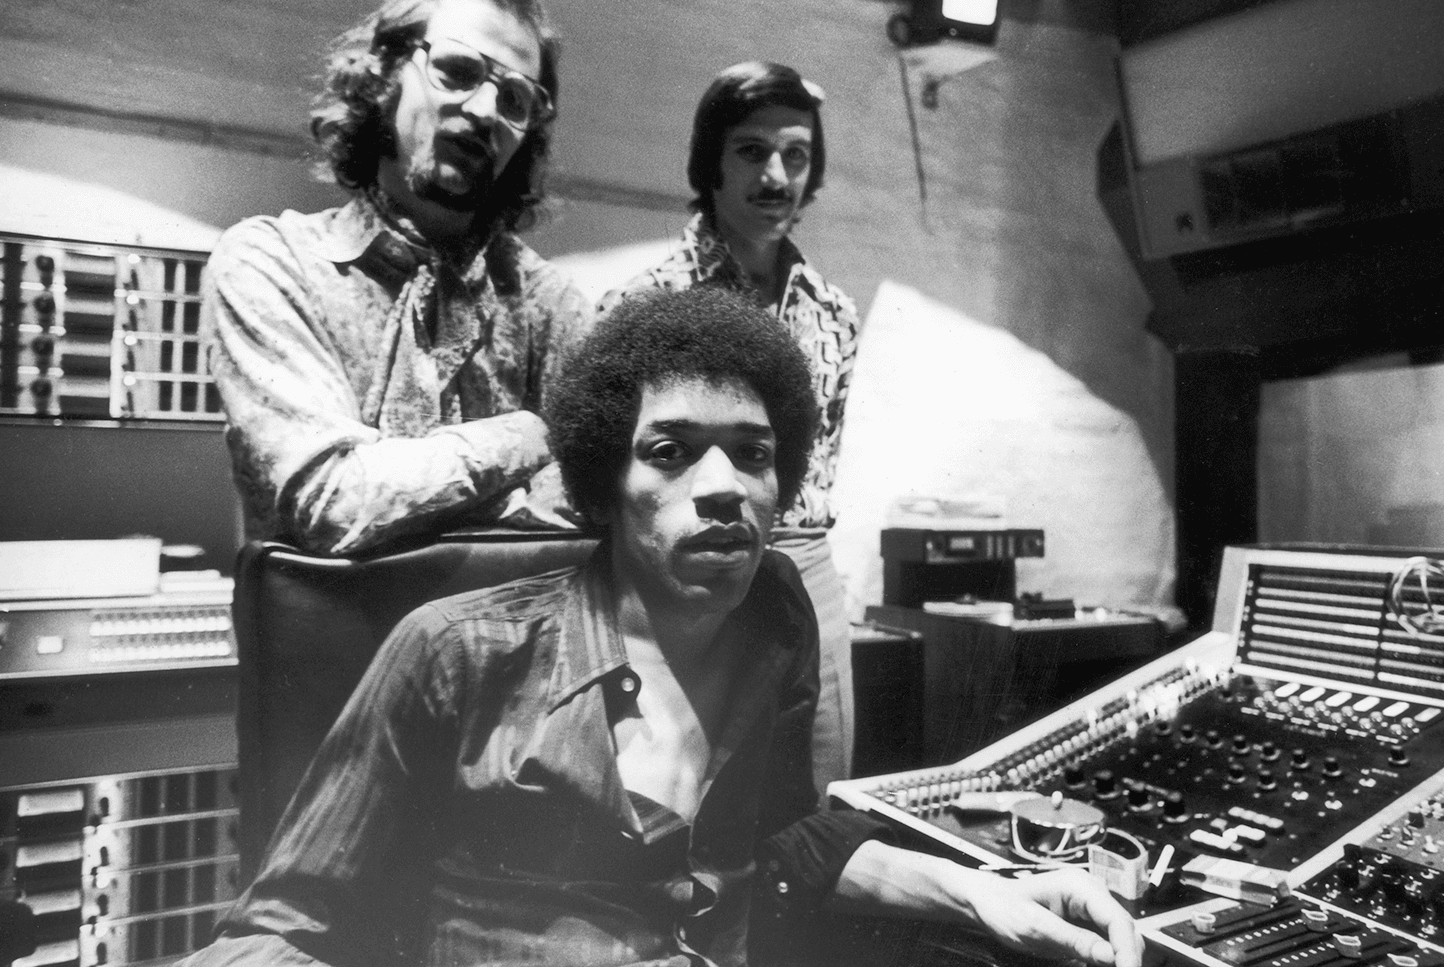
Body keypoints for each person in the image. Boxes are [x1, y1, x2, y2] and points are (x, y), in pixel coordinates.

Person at [184, 291, 1142, 967]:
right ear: (607, 481)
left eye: (753, 455)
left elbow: (782, 845)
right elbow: (287, 927)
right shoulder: (453, 651)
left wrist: (983, 892)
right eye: (671, 452)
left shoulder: (774, 620)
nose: (722, 487)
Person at [206, 0, 591, 557]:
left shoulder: (551, 306)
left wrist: (409, 493)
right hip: (331, 650)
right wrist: (530, 434)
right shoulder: (272, 263)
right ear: (385, 74)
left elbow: (598, 499)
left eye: (516, 98)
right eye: (458, 71)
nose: (486, 110)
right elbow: (334, 501)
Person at [600, 62, 860, 799]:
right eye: (751, 151)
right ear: (709, 162)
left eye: (796, 155)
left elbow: (819, 463)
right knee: (683, 796)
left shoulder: (832, 312)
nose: (776, 176)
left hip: (803, 568)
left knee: (818, 790)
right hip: (680, 570)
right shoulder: (645, 303)